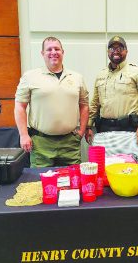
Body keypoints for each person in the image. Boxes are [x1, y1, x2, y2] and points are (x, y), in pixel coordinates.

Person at [15, 36, 89, 167]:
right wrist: (23, 135)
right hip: (41, 143)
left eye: (57, 49)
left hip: (70, 143)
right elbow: (20, 106)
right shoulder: (30, 77)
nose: (53, 52)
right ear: (42, 53)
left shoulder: (77, 78)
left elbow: (84, 105)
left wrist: (81, 131)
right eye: (49, 49)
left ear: (63, 52)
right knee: (40, 183)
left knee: (72, 183)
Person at [85, 35, 138, 145]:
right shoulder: (101, 75)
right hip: (104, 129)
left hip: (129, 129)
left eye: (120, 48)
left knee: (129, 161)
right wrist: (88, 126)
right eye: (112, 48)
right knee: (107, 162)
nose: (116, 51)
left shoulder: (137, 72)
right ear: (108, 52)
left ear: (126, 51)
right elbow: (95, 104)